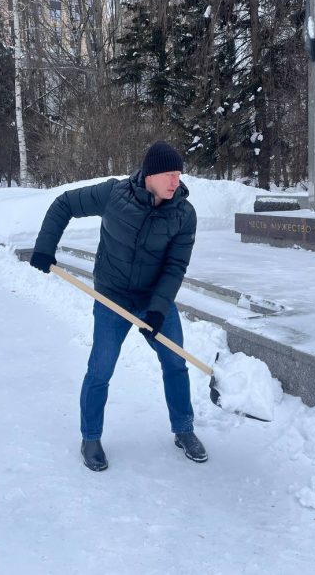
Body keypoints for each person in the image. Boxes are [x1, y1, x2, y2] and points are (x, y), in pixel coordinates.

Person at [29, 141, 207, 470]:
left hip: (154, 298)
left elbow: (175, 267)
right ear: (150, 174)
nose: (176, 181)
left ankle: (184, 429)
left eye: (179, 174)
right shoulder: (114, 195)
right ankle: (90, 437)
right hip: (112, 297)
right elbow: (65, 203)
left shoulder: (184, 214)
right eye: (170, 174)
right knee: (101, 368)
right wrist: (44, 247)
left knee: (175, 362)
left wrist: (158, 309)